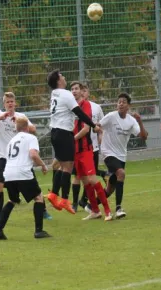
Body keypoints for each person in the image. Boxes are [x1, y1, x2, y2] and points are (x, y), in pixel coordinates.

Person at [46, 70, 100, 214]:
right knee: (67, 168)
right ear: (58, 81)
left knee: (60, 164)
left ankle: (53, 194)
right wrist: (94, 125)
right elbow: (80, 113)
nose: (64, 77)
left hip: (54, 132)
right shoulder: (65, 94)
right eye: (62, 76)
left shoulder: (54, 94)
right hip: (64, 133)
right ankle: (64, 200)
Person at [0, 116, 51, 239]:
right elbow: (33, 154)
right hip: (23, 172)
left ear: (16, 128)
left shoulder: (11, 141)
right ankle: (38, 231)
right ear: (27, 127)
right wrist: (43, 165)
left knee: (12, 200)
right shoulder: (31, 137)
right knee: (39, 198)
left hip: (8, 173)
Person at [0, 92, 35, 216]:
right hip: (4, 157)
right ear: (4, 104)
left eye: (12, 101)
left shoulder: (21, 116)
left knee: (31, 185)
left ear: (15, 103)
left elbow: (33, 129)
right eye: (7, 102)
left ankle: (42, 209)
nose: (10, 104)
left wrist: (21, 123)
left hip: (21, 159)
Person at [68, 81, 112, 221]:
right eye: (72, 89)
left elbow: (86, 128)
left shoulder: (86, 106)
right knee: (85, 182)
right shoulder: (71, 107)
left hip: (86, 149)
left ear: (82, 91)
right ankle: (95, 211)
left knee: (92, 179)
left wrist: (72, 139)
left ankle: (108, 211)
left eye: (76, 89)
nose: (74, 91)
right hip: (75, 150)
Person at [99, 93, 148, 218]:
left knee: (110, 188)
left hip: (121, 156)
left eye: (123, 102)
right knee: (121, 173)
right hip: (108, 153)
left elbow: (143, 136)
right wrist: (97, 132)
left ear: (128, 106)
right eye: (119, 101)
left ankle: (91, 205)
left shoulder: (131, 121)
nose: (120, 104)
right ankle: (118, 208)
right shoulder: (111, 116)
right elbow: (98, 126)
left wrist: (140, 121)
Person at [73, 84, 107, 210]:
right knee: (80, 175)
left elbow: (100, 125)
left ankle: (86, 202)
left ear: (86, 92)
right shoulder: (74, 106)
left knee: (90, 176)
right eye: (74, 89)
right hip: (78, 147)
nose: (82, 93)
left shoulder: (95, 107)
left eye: (85, 90)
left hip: (92, 146)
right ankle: (77, 203)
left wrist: (100, 137)